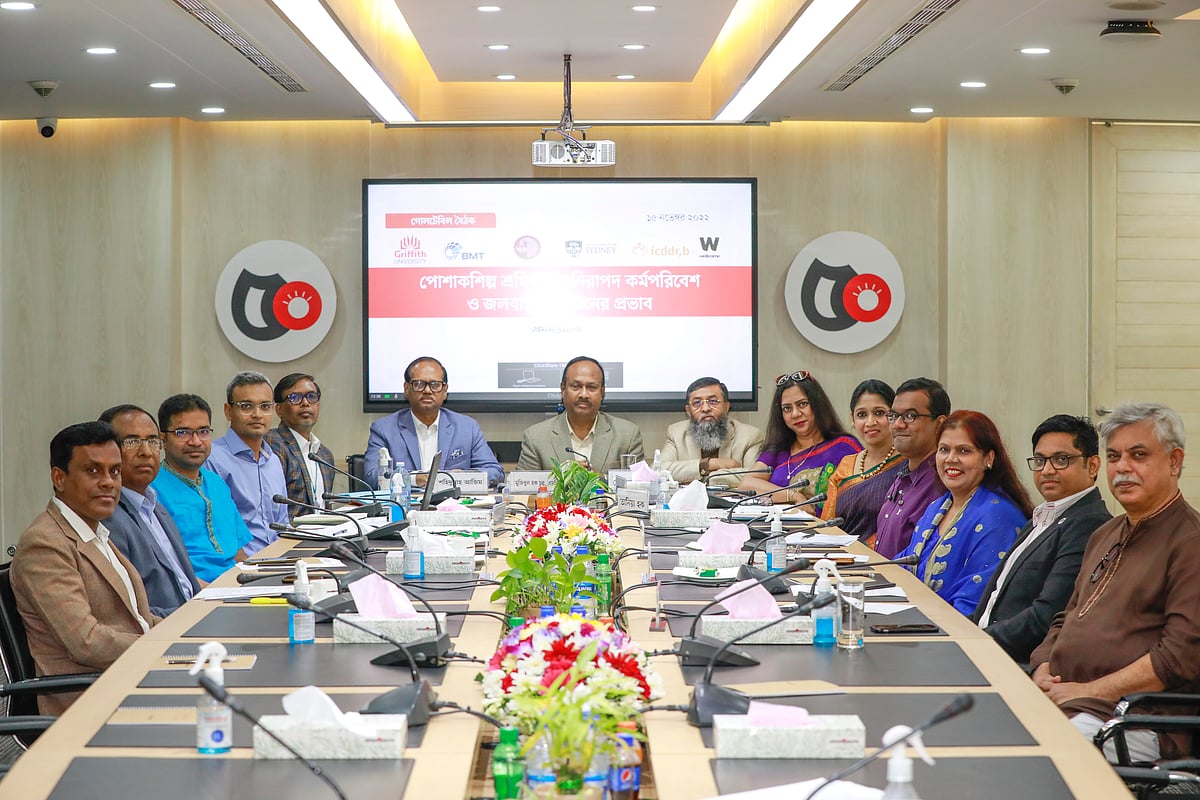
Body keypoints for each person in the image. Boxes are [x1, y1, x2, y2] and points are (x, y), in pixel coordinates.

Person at [1030, 403, 1200, 763]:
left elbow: (1177, 658)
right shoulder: (1105, 533)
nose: (1123, 467)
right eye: (1114, 456)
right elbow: (1067, 617)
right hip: (1065, 701)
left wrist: (1086, 691)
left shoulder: (1190, 542)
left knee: (1040, 765)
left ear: (1174, 461)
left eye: (1138, 455)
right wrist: (1043, 667)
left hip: (1131, 720)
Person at [11, 421, 158, 714]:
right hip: (91, 702)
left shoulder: (94, 532)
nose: (108, 482)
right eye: (93, 471)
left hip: (132, 679)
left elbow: (137, 620)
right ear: (59, 478)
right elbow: (86, 642)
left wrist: (187, 637)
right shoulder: (45, 543)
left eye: (114, 471)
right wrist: (162, 649)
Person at [972, 415, 1111, 664]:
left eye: (1061, 460)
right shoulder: (1043, 516)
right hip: (988, 650)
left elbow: (1046, 616)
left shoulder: (1089, 523)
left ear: (1092, 466)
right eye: (1040, 460)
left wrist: (977, 642)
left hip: (1019, 664)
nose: (1047, 470)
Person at [897, 410, 1031, 615]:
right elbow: (903, 565)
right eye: (944, 449)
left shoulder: (997, 516)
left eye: (964, 451)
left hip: (955, 636)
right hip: (914, 623)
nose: (951, 459)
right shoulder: (938, 506)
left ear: (989, 458)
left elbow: (973, 603)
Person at [99, 404, 200, 618]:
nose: (146, 452)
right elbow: (127, 612)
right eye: (132, 441)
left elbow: (186, 586)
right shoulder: (108, 518)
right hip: (163, 635)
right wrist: (193, 617)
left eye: (153, 441)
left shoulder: (154, 505)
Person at [152, 394, 253, 583]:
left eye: (204, 431)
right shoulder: (151, 490)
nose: (196, 442)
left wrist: (259, 582)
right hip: (195, 592)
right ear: (162, 439)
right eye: (183, 432)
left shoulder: (217, 483)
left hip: (236, 585)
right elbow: (165, 570)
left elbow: (239, 553)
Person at [365, 356, 503, 488]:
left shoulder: (467, 427)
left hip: (452, 506)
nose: (427, 390)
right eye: (418, 384)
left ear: (445, 391)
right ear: (406, 389)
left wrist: (460, 477)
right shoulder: (383, 429)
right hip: (406, 505)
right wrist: (414, 478)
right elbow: (372, 477)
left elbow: (494, 472)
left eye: (435, 385)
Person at [737, 371, 860, 507]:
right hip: (778, 526)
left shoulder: (844, 446)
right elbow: (746, 484)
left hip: (827, 526)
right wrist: (793, 495)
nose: (795, 414)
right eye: (787, 408)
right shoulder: (778, 450)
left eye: (802, 404)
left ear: (817, 404)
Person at [205, 371, 288, 555]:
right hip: (241, 568)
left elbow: (283, 525)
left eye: (265, 406)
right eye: (246, 406)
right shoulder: (213, 459)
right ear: (228, 411)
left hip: (280, 563)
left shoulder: (273, 461)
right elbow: (217, 530)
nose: (257, 414)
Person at [517, 356, 644, 474]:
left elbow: (639, 485)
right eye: (576, 386)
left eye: (591, 387)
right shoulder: (535, 437)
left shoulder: (627, 435)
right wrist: (562, 478)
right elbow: (522, 488)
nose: (584, 394)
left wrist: (600, 479)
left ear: (602, 392)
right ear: (563, 389)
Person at [873, 378, 951, 558]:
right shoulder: (903, 474)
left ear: (939, 424)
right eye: (893, 416)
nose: (898, 425)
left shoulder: (942, 482)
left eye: (910, 416)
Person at [821, 380, 904, 537]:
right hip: (841, 556)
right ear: (852, 419)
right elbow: (828, 524)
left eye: (879, 413)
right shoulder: (846, 464)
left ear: (893, 416)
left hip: (884, 558)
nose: (870, 422)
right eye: (862, 415)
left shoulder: (908, 464)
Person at [660, 377, 764, 486]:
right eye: (697, 403)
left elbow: (756, 476)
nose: (705, 408)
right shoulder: (677, 432)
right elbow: (658, 472)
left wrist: (705, 479)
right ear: (688, 411)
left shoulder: (750, 436)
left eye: (713, 401)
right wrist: (708, 465)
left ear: (726, 407)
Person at [264, 372, 335, 517]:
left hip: (323, 535)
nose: (305, 403)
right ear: (279, 409)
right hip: (287, 536)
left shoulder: (325, 455)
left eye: (311, 396)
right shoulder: (271, 444)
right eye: (295, 398)